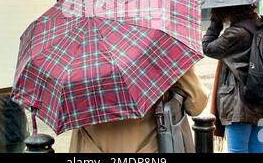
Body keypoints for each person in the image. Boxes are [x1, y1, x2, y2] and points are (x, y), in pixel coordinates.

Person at [69, 66, 208, 153]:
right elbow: (197, 103)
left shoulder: (73, 50)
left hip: (89, 147)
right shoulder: (157, 43)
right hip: (145, 149)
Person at [202, 5, 263, 153]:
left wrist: (215, 22)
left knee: (238, 150)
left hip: (240, 106)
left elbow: (207, 47)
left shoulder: (236, 33)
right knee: (259, 149)